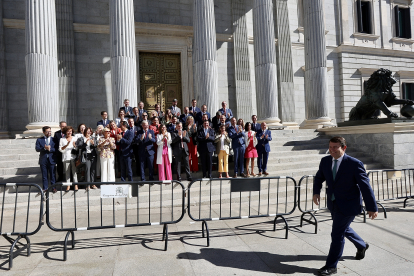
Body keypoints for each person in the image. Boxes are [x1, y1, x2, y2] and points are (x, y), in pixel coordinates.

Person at [313, 136, 378, 276]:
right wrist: (316, 192)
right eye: (330, 147)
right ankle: (362, 245)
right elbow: (319, 177)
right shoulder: (325, 161)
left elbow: (365, 186)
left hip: (349, 205)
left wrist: (372, 207)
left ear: (344, 148)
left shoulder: (354, 164)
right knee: (344, 228)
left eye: (335, 147)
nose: (332, 150)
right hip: (333, 203)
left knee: (337, 234)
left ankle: (331, 266)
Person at [36, 126, 57, 193]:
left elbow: (57, 149)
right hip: (43, 160)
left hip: (52, 159)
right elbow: (37, 148)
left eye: (50, 131)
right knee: (44, 175)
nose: (49, 133)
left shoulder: (54, 139)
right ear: (43, 132)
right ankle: (45, 188)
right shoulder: (39, 140)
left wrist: (50, 149)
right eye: (47, 131)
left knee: (52, 175)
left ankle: (53, 187)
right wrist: (44, 148)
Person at [59, 126, 78, 191]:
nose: (69, 132)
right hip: (65, 157)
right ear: (65, 132)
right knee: (67, 172)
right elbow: (60, 149)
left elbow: (77, 148)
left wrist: (75, 145)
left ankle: (76, 185)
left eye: (70, 131)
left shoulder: (75, 138)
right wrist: (67, 145)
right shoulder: (62, 139)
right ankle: (68, 185)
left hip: (73, 157)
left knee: (74, 171)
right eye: (68, 131)